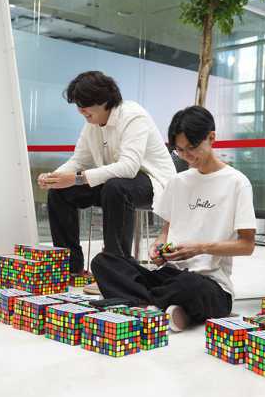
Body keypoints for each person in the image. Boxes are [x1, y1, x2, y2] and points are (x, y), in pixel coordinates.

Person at [91, 106, 256, 331]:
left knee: (190, 285)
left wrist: (200, 248)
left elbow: (247, 245)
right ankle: (164, 307)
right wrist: (158, 247)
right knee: (103, 262)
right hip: (168, 275)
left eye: (192, 148)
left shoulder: (237, 182)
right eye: (179, 150)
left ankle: (140, 303)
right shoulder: (178, 182)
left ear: (211, 138)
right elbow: (167, 230)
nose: (187, 156)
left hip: (209, 283)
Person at [37, 71, 176, 290]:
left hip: (153, 183)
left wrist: (77, 178)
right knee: (61, 191)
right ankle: (71, 267)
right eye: (78, 106)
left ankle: (116, 273)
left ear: (103, 101)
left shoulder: (133, 116)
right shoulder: (92, 123)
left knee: (116, 187)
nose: (81, 111)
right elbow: (79, 159)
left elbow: (129, 167)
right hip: (116, 184)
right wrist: (54, 177)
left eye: (85, 105)